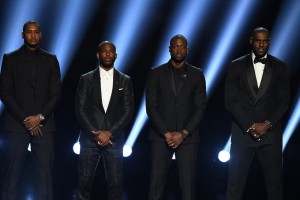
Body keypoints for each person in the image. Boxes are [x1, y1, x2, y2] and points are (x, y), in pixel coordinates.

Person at [225, 27, 290, 200]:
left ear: (269, 42)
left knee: (275, 186)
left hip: (271, 135)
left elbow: (284, 101)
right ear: (251, 41)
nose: (261, 44)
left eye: (264, 41)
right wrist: (250, 125)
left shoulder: (280, 67)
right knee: (235, 185)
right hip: (242, 132)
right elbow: (230, 101)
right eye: (257, 40)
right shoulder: (235, 65)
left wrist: (267, 124)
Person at [0, 21, 62, 200]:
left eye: (36, 32)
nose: (33, 35)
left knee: (45, 176)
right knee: (11, 175)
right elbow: (5, 92)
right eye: (29, 32)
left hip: (45, 125)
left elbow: (56, 94)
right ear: (22, 35)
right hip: (16, 125)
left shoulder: (51, 59)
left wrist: (39, 117)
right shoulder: (10, 58)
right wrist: (27, 119)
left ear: (41, 35)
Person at [146, 34, 207, 200]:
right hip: (160, 137)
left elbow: (200, 107)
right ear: (169, 49)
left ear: (187, 50)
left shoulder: (197, 74)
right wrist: (166, 133)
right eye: (175, 46)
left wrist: (184, 133)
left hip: (188, 138)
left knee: (187, 187)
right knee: (156, 186)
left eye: (182, 47)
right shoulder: (155, 73)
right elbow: (151, 107)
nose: (179, 50)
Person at [75, 41, 134, 200]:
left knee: (115, 184)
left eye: (111, 51)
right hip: (89, 139)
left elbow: (128, 111)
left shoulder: (125, 80)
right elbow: (79, 110)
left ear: (116, 55)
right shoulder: (86, 79)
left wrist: (110, 133)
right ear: (98, 55)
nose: (107, 54)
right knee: (84, 183)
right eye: (104, 51)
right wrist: (96, 134)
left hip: (114, 141)